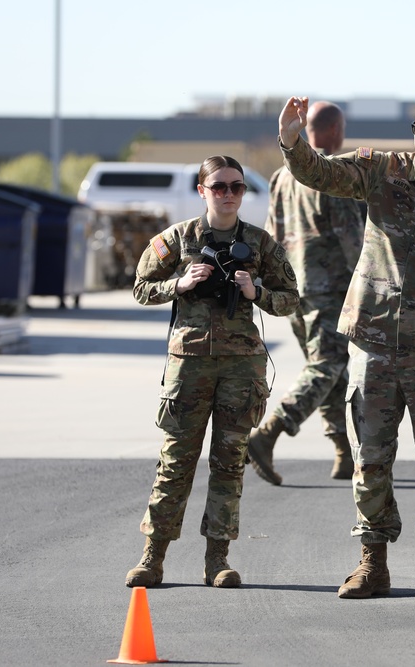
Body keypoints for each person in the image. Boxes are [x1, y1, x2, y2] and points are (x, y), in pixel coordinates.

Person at [278, 92, 415, 600]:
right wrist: (290, 138)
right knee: (370, 457)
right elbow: (320, 173)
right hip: (373, 341)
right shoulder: (384, 169)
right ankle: (372, 563)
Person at [125, 155, 299, 589]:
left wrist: (255, 290)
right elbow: (140, 288)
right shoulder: (177, 238)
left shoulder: (260, 244)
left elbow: (292, 297)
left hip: (241, 369)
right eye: (218, 186)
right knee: (175, 463)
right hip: (189, 368)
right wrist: (178, 284)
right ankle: (153, 557)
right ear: (202, 191)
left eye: (236, 187)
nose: (227, 194)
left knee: (229, 465)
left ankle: (217, 560)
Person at [248, 101, 365, 484]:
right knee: (328, 365)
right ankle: (270, 433)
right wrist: (367, 282)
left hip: (296, 286)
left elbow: (272, 232)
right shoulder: (333, 173)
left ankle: (343, 452)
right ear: (334, 130)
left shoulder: (283, 176)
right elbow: (353, 239)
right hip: (332, 287)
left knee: (330, 368)